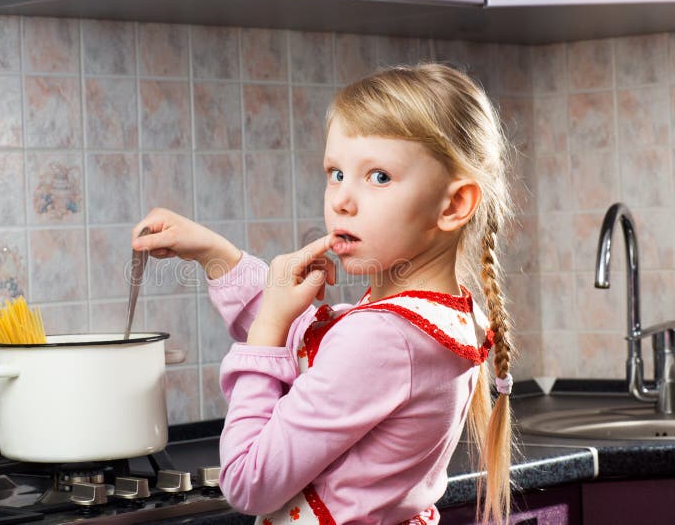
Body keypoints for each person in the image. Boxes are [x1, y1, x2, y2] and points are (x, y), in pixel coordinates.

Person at [132, 63, 515, 525]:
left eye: (378, 177)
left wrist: (266, 331)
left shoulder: (383, 339)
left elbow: (247, 481)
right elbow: (310, 342)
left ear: (453, 204)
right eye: (335, 173)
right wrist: (217, 255)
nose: (341, 200)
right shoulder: (441, 317)